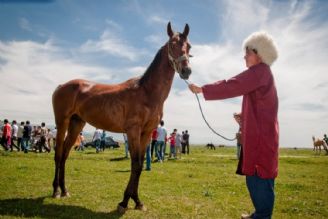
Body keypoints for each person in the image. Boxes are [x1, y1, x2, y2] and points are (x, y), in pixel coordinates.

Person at [188, 31, 279, 219]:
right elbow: (262, 109)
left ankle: (262, 216)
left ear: (259, 54)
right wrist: (244, 116)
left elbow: (232, 84)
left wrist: (203, 89)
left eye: (248, 52)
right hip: (261, 135)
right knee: (260, 178)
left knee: (258, 176)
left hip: (259, 139)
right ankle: (260, 213)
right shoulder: (263, 74)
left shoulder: (259, 71)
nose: (244, 56)